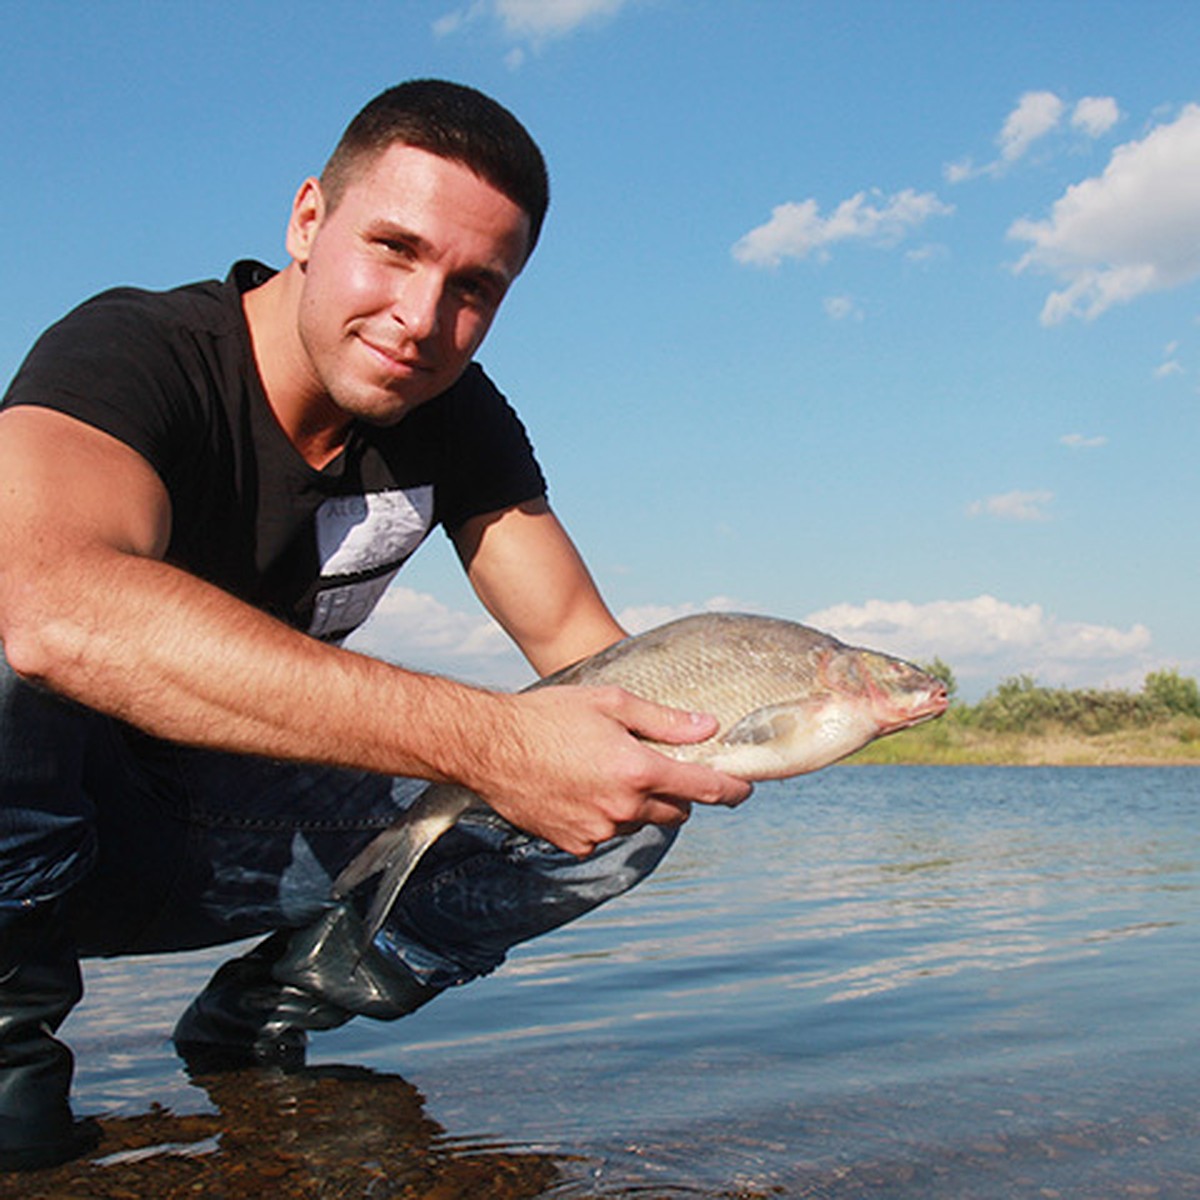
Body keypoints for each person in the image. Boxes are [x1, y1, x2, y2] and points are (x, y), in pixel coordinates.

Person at [0, 79, 750, 1171]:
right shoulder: (136, 352)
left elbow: (597, 659)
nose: (420, 317)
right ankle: (11, 1057)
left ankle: (260, 1019)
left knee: (626, 798)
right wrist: (494, 740)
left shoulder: (455, 415)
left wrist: (790, 711)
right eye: (394, 248)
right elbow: (50, 609)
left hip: (215, 829)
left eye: (474, 287)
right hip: (35, 831)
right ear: (308, 219)